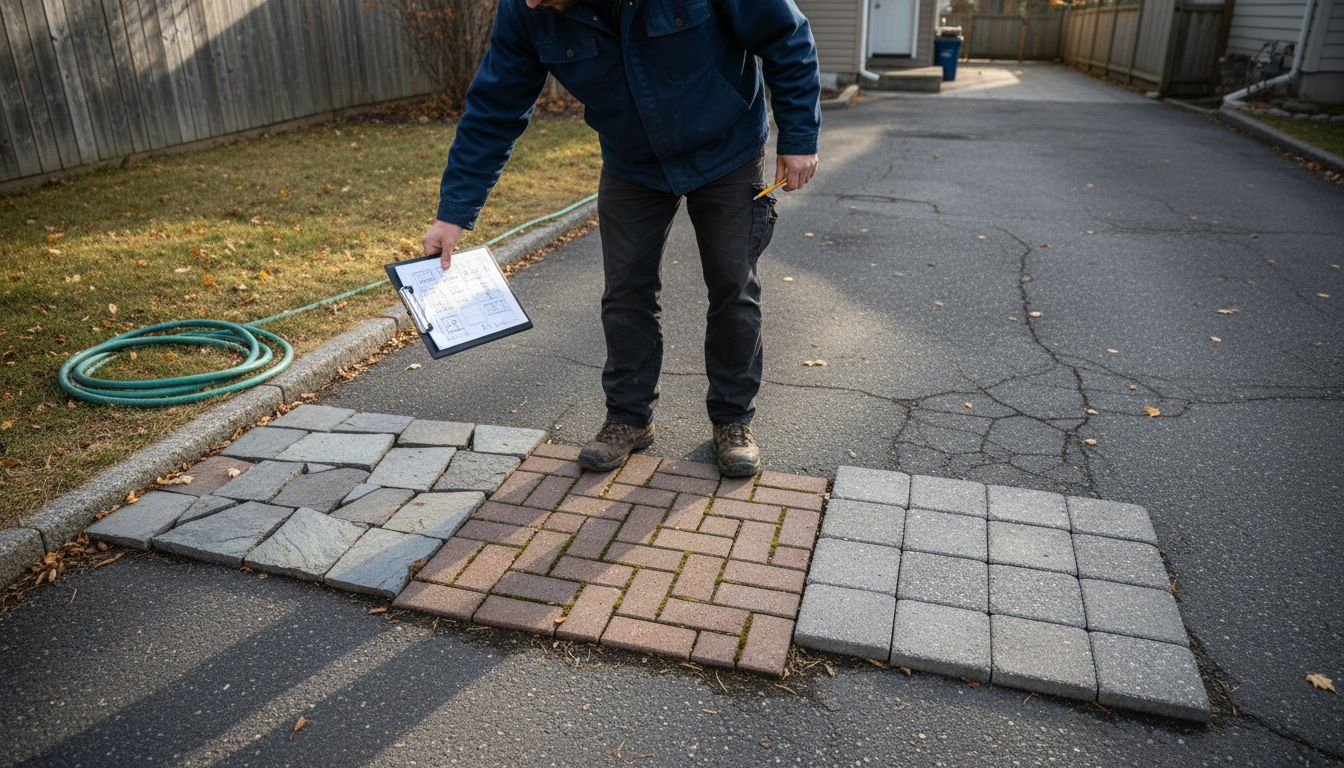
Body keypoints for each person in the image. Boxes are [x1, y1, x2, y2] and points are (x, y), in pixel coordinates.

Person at [422, 0, 821, 476]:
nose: (528, 2)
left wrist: (799, 136)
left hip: (727, 147)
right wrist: (453, 214)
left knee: (733, 287)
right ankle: (628, 418)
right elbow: (494, 109)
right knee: (625, 291)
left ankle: (733, 419)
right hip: (632, 163)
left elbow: (787, 36)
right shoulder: (526, 10)